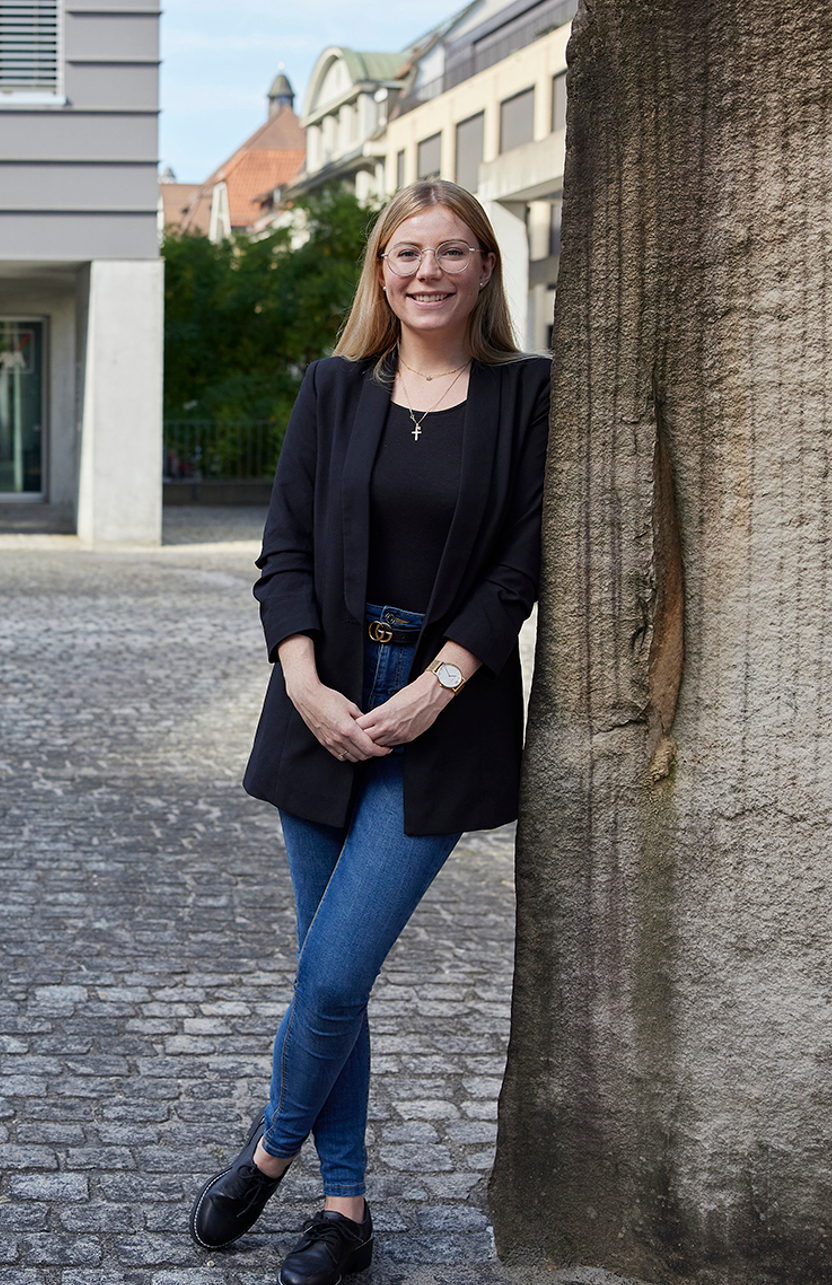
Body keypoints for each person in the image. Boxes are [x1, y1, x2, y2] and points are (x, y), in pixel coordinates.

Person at [190, 180, 550, 1283]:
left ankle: (266, 1151)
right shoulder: (332, 389)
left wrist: (438, 682)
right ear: (379, 271)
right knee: (322, 976)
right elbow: (283, 550)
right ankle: (342, 1213)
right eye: (405, 252)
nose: (426, 271)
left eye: (450, 251)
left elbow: (522, 563)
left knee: (334, 974)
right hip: (324, 704)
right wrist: (299, 679)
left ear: (485, 269)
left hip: (438, 705)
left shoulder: (527, 393)